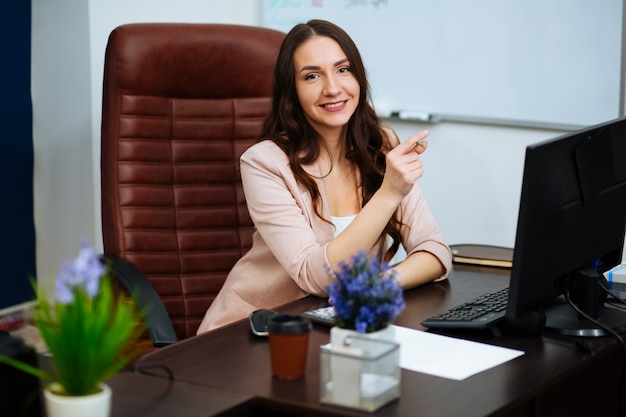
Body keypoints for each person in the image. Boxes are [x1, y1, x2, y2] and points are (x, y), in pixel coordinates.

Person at [197, 19, 452, 334]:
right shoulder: (264, 162)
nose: (333, 88)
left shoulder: (381, 145)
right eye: (312, 76)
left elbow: (436, 252)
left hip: (333, 327)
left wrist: (374, 286)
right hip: (257, 333)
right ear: (292, 90)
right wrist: (389, 193)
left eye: (343, 70)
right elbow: (317, 278)